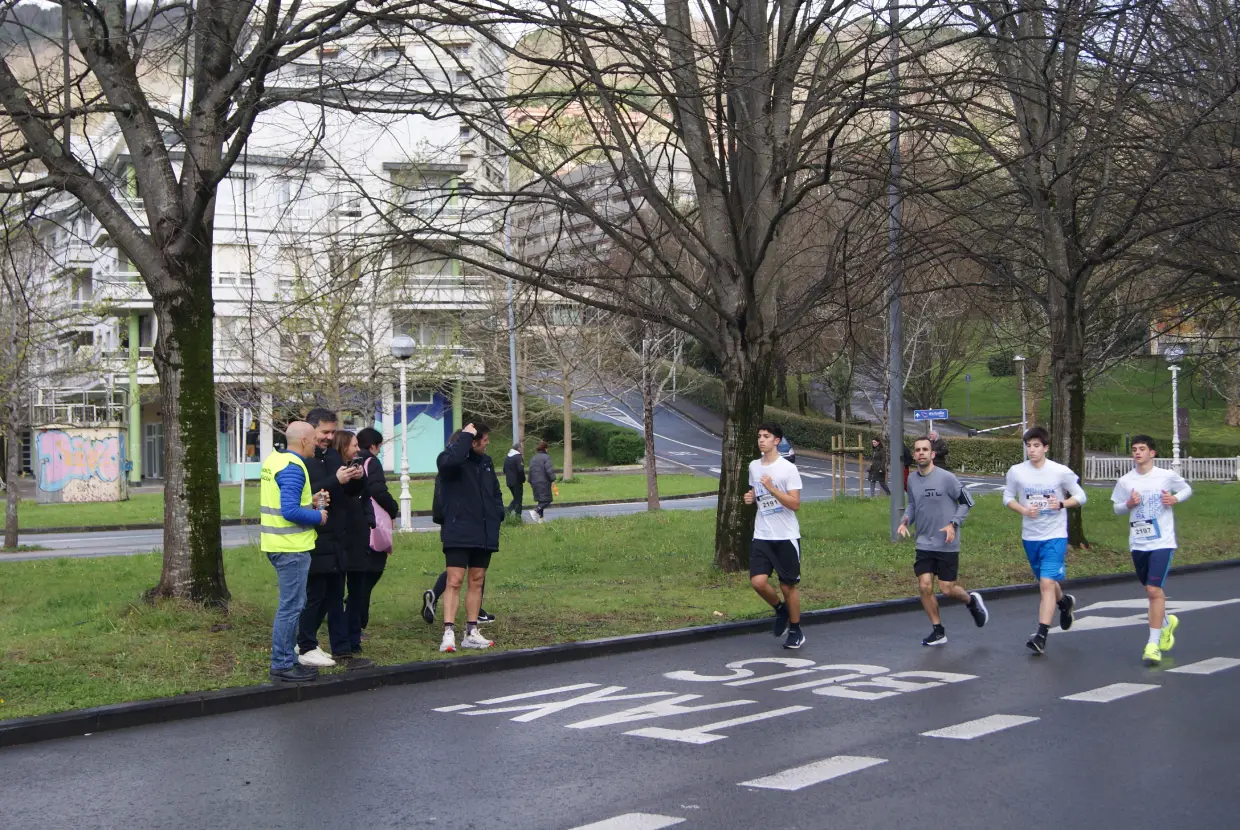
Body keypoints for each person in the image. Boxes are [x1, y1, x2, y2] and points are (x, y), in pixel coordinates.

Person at [296, 408, 373, 670]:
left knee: (335, 595)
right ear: (310, 431)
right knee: (316, 595)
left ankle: (342, 651)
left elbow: (344, 492)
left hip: (338, 536)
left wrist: (356, 480)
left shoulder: (330, 457)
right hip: (316, 536)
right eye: (325, 432)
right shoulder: (302, 460)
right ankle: (304, 643)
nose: (329, 437)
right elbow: (311, 494)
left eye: (332, 432)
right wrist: (337, 480)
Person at [1002, 426, 1088, 655]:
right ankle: (1065, 603)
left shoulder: (1060, 472)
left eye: (1036, 446)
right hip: (1030, 536)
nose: (1032, 450)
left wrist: (1060, 504)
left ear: (1046, 448)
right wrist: (1022, 509)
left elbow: (1081, 496)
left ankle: (1041, 635)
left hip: (1055, 535)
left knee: (1046, 584)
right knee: (1046, 582)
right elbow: (1007, 497)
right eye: (1028, 445)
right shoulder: (1017, 472)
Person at [1110, 434, 1192, 666]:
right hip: (1138, 542)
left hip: (1162, 542)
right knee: (1149, 589)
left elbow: (1186, 489)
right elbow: (1117, 508)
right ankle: (1166, 623)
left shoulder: (1165, 476)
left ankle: (1153, 644)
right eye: (1135, 449)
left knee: (1154, 590)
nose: (1137, 452)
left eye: (1142, 449)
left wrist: (1174, 499)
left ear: (1152, 453)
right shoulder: (1126, 481)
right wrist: (1128, 505)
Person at [898, 436, 988, 645]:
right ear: (914, 454)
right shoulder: (911, 479)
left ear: (932, 454)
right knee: (925, 586)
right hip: (924, 542)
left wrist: (953, 524)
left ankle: (971, 600)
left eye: (925, 450)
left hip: (947, 542)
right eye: (918, 450)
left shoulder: (947, 478)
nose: (921, 453)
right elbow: (912, 504)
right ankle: (938, 630)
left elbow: (967, 502)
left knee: (947, 588)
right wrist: (905, 521)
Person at [259, 421, 327, 684]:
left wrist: (307, 502)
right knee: (291, 606)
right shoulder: (294, 468)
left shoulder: (275, 460)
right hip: (291, 548)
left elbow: (283, 501)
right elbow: (289, 511)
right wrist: (317, 515)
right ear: (304, 441)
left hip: (276, 544)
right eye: (315, 439)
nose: (318, 443)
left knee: (290, 605)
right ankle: (283, 664)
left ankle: (284, 660)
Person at [436, 423, 505, 653]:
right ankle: (448, 632)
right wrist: (465, 435)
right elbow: (451, 461)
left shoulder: (486, 463)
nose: (488, 443)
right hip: (458, 530)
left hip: (484, 531)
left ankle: (471, 631)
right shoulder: (450, 461)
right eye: (483, 439)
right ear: (471, 441)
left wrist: (497, 514)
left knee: (477, 580)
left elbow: (495, 492)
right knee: (454, 581)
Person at [743, 421, 806, 649]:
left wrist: (771, 489)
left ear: (776, 441)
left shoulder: (788, 469)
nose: (761, 440)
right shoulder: (754, 466)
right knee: (758, 582)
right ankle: (781, 611)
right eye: (759, 435)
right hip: (762, 534)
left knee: (788, 586)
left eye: (766, 436)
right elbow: (755, 492)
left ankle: (796, 629)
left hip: (785, 535)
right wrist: (751, 497)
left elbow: (795, 503)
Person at [340, 428, 397, 654]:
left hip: (355, 527)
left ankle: (354, 622)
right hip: (369, 526)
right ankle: (356, 623)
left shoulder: (351, 462)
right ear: (374, 445)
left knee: (360, 579)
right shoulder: (370, 462)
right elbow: (376, 490)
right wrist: (393, 509)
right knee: (367, 576)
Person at [527, 440, 556, 523]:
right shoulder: (546, 457)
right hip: (543, 481)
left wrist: (530, 480)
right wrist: (552, 480)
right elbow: (549, 470)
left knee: (541, 500)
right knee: (547, 500)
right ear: (545, 449)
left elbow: (530, 470)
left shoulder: (533, 458)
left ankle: (541, 519)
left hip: (534, 482)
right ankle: (535, 511)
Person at [503, 444, 526, 519]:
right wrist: (523, 479)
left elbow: (504, 470)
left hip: (509, 481)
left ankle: (508, 512)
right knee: (518, 499)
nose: (521, 449)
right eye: (521, 448)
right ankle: (517, 516)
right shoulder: (518, 457)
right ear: (518, 448)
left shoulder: (507, 457)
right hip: (517, 481)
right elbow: (520, 470)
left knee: (516, 498)